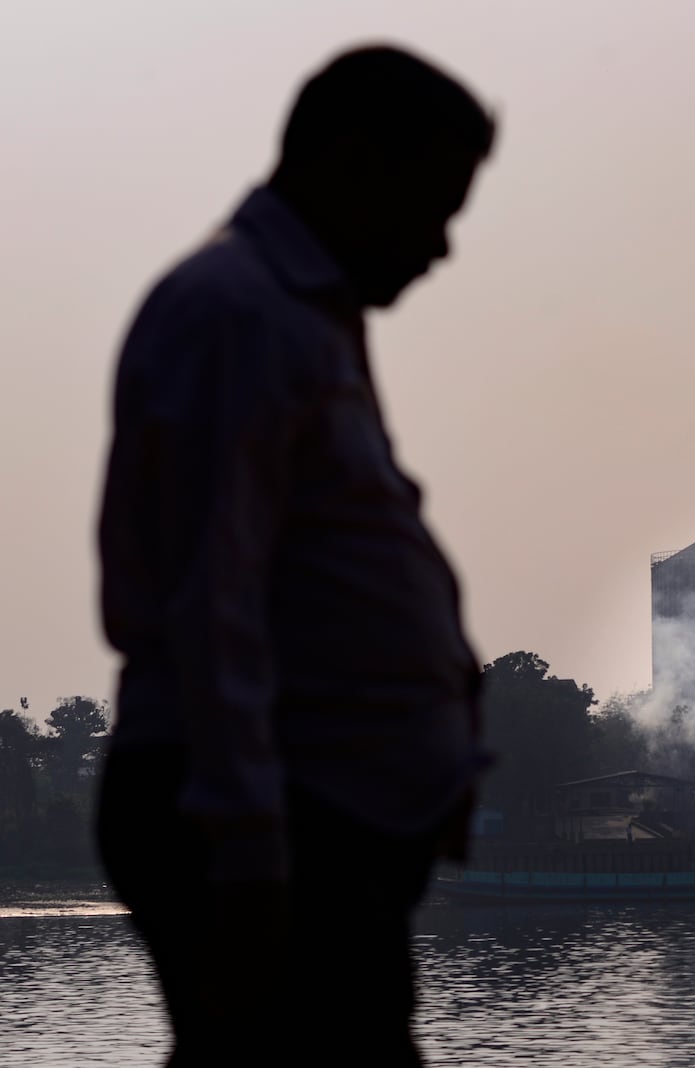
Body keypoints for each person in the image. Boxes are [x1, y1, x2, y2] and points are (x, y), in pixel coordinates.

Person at [96, 45, 494, 1066]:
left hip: (318, 823)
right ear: (354, 162)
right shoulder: (238, 314)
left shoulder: (299, 321)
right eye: (436, 203)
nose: (443, 247)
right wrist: (248, 853)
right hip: (267, 823)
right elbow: (210, 596)